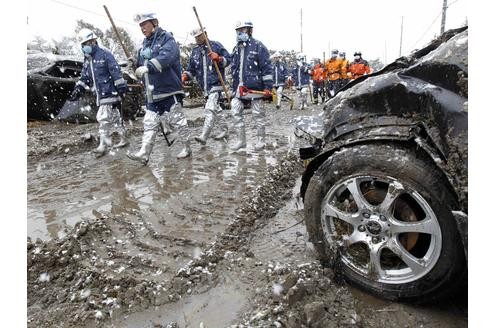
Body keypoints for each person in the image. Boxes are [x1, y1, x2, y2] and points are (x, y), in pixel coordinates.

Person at [127, 13, 192, 165]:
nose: (142, 28)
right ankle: (144, 152)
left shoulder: (166, 38)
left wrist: (148, 66)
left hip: (169, 89)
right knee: (149, 122)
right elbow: (141, 69)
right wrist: (135, 64)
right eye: (140, 26)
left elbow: (167, 57)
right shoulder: (144, 45)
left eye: (145, 24)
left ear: (154, 23)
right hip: (152, 93)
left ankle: (187, 147)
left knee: (178, 121)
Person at [70, 28, 128, 157]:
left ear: (94, 41)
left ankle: (103, 145)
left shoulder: (105, 54)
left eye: (89, 42)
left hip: (109, 93)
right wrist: (78, 88)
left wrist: (121, 87)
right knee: (115, 118)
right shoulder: (88, 59)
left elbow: (116, 71)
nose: (86, 46)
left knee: (103, 119)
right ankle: (124, 139)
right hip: (100, 94)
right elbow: (85, 77)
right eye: (84, 44)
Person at [229, 20, 273, 151]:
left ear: (249, 30)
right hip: (240, 88)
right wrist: (233, 88)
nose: (239, 33)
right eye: (238, 31)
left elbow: (267, 69)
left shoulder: (258, 46)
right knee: (235, 110)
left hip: (255, 87)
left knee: (257, 115)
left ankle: (261, 141)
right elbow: (234, 70)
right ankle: (241, 141)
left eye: (242, 30)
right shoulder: (236, 49)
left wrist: (268, 88)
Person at [182, 28, 231, 145]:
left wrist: (219, 59)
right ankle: (225, 130)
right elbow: (191, 69)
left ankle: (204, 135)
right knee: (216, 109)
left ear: (205, 34)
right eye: (196, 37)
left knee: (209, 109)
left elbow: (228, 60)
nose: (198, 39)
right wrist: (184, 76)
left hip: (216, 83)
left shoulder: (216, 46)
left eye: (199, 36)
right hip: (204, 86)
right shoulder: (195, 52)